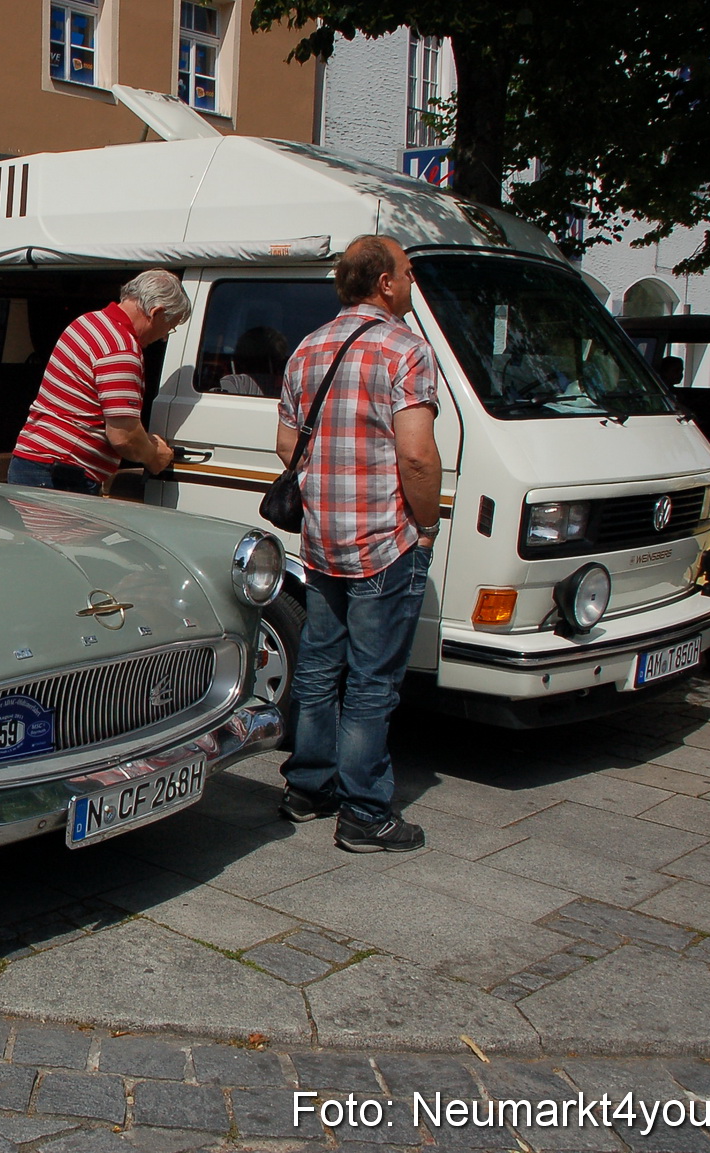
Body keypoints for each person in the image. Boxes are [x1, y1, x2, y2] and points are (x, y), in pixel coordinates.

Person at [274, 235, 441, 853]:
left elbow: (286, 445)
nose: (412, 280)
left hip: (321, 543)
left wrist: (327, 491)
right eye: (408, 270)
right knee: (373, 681)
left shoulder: (308, 347)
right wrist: (425, 525)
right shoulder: (406, 350)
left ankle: (308, 787)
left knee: (319, 667)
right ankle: (365, 812)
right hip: (381, 542)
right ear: (386, 284)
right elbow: (417, 455)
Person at [7, 270, 187, 495]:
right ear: (156, 312)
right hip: (61, 472)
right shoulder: (121, 349)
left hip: (37, 461)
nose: (164, 338)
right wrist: (154, 455)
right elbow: (124, 436)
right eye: (169, 327)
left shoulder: (89, 321)